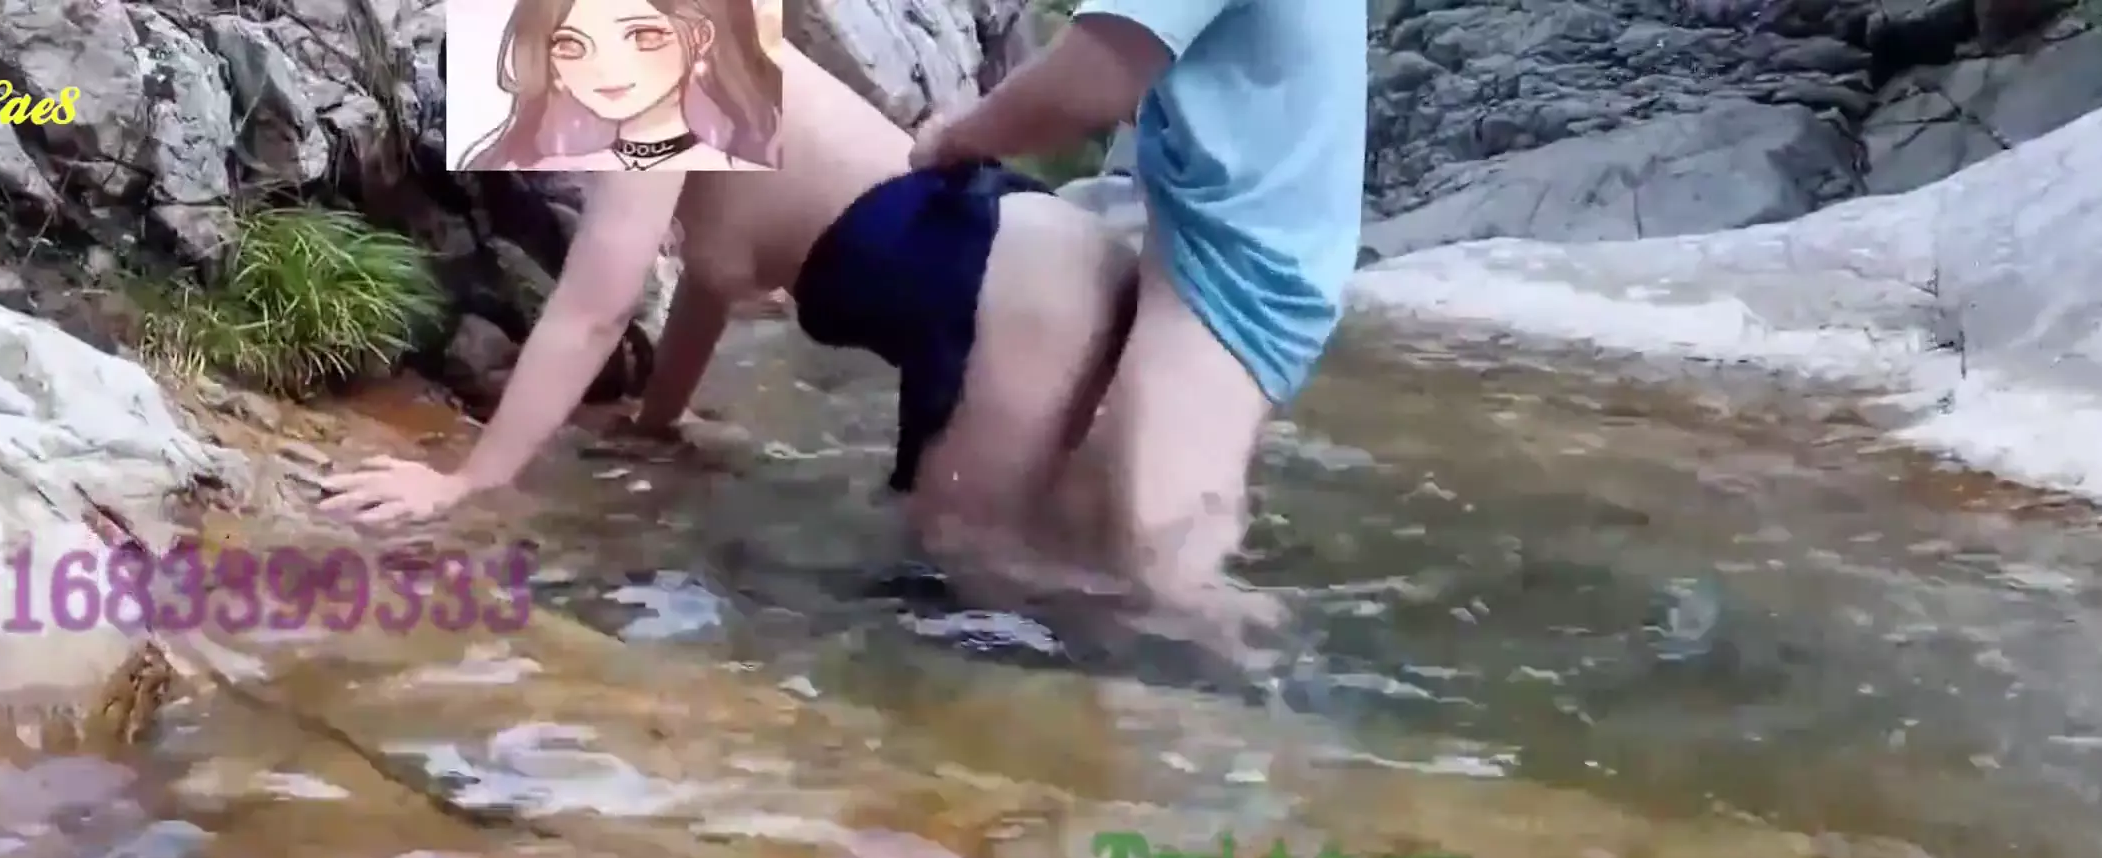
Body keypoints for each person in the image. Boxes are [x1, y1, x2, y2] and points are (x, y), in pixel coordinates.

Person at [326, 41, 1138, 597]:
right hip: (1036, 264)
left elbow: (596, 308)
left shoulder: (637, 63)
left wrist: (470, 481)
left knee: (979, 581)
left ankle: (1192, 686)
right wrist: (657, 422)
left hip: (1015, 289)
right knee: (1018, 564)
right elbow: (709, 282)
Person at [909, 1, 1368, 625]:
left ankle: (1256, 675)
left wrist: (954, 139)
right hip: (1261, 235)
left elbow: (1092, 79)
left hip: (1240, 271)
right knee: (1089, 511)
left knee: (1158, 557)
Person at [457, 0, 783, 172]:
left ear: (700, 37)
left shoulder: (742, 173)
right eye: (570, 44)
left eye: (643, 35)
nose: (605, 68)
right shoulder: (534, 171)